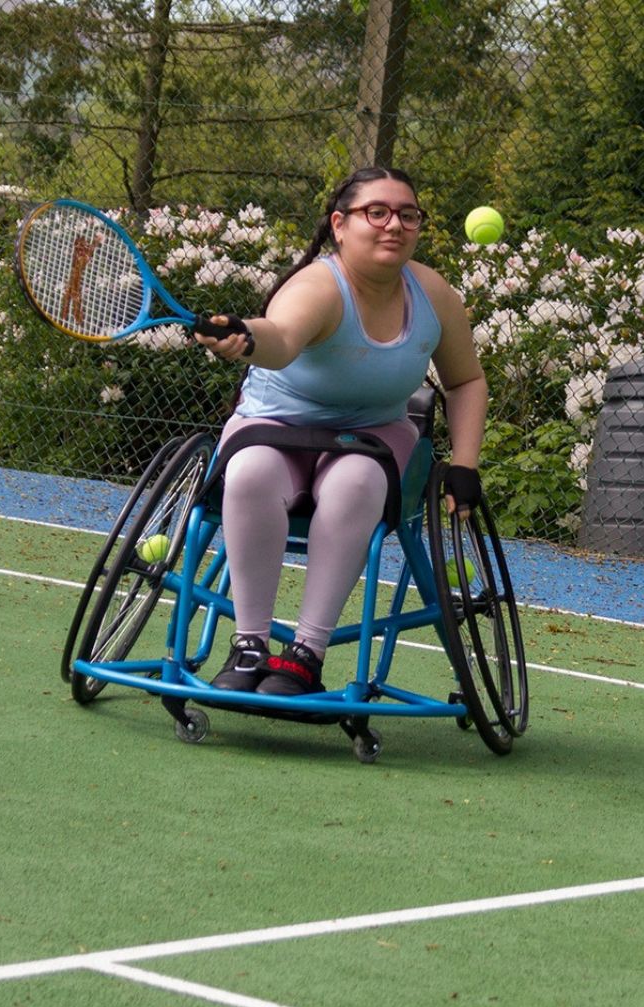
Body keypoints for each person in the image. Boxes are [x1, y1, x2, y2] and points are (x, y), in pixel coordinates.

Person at [195, 166, 487, 696]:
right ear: (339, 224)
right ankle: (249, 645)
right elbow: (280, 338)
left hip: (372, 435)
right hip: (275, 427)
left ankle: (306, 654)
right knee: (250, 472)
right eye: (376, 212)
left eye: (408, 215)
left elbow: (466, 380)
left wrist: (465, 464)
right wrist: (245, 335)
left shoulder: (433, 295)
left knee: (357, 483)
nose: (393, 225)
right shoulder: (317, 286)